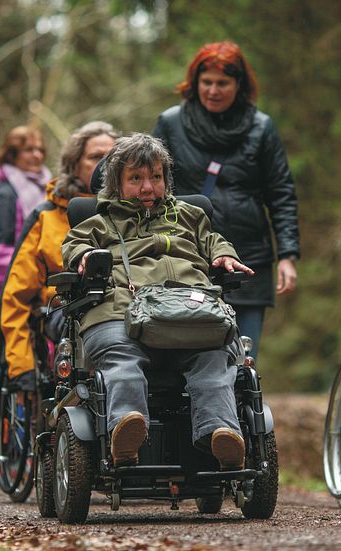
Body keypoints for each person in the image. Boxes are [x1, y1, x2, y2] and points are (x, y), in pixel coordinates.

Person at [62, 133, 254, 469]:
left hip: (190, 312)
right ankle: (126, 431)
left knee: (213, 360)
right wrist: (86, 255)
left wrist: (224, 256)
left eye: (155, 177)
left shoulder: (190, 217)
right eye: (135, 179)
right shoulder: (97, 223)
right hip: (120, 311)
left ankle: (221, 434)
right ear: (116, 184)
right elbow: (73, 247)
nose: (148, 188)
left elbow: (214, 241)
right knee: (122, 362)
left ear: (166, 179)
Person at [152, 40, 300, 357]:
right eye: (207, 82)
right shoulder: (170, 123)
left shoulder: (262, 128)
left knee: (244, 359)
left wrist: (287, 254)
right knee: (189, 354)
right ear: (195, 83)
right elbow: (147, 186)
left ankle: (242, 407)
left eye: (223, 83)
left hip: (248, 258)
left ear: (239, 84)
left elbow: (281, 192)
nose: (213, 91)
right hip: (185, 255)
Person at [0, 122, 117, 389]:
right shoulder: (46, 217)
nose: (104, 166)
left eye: (112, 158)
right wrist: (21, 366)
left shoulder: (138, 211)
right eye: (95, 158)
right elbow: (16, 296)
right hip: (63, 311)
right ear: (73, 164)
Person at [0, 126, 51, 410]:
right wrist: (35, 268)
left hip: (45, 286)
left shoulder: (49, 185)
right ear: (12, 155)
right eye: (28, 150)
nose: (36, 155)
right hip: (13, 291)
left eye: (39, 149)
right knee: (14, 363)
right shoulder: (5, 195)